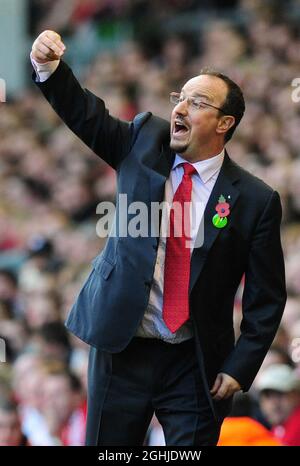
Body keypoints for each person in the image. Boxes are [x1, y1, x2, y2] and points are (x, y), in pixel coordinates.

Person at [30, 30, 287, 446]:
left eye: (198, 102)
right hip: (122, 347)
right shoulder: (144, 140)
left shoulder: (256, 199)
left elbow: (267, 297)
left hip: (194, 360)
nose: (181, 108)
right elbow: (85, 114)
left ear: (225, 123)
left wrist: (241, 366)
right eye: (179, 98)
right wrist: (49, 68)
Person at [256, 364, 300, 446]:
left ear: (296, 395)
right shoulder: (277, 429)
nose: (274, 403)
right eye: (268, 396)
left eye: (280, 394)